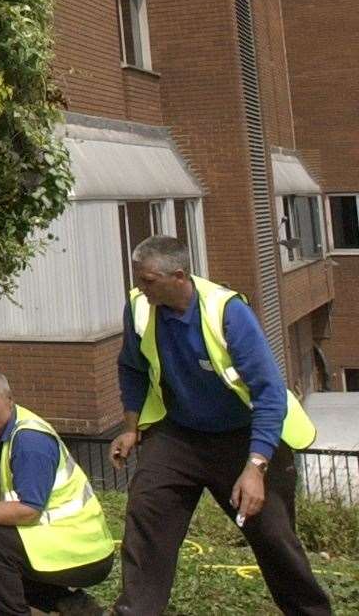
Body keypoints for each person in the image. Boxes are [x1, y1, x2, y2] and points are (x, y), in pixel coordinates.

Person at [109, 234, 331, 615]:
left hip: (245, 437)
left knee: (275, 540)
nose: (139, 287)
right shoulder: (141, 308)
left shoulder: (228, 313)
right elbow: (132, 367)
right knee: (147, 515)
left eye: (147, 280)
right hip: (179, 435)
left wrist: (256, 467)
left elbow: (269, 393)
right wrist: (131, 427)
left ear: (178, 276)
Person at [0, 367, 114, 616]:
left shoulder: (30, 442)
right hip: (58, 538)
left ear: (9, 399)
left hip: (83, 550)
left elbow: (28, 511)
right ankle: (69, 604)